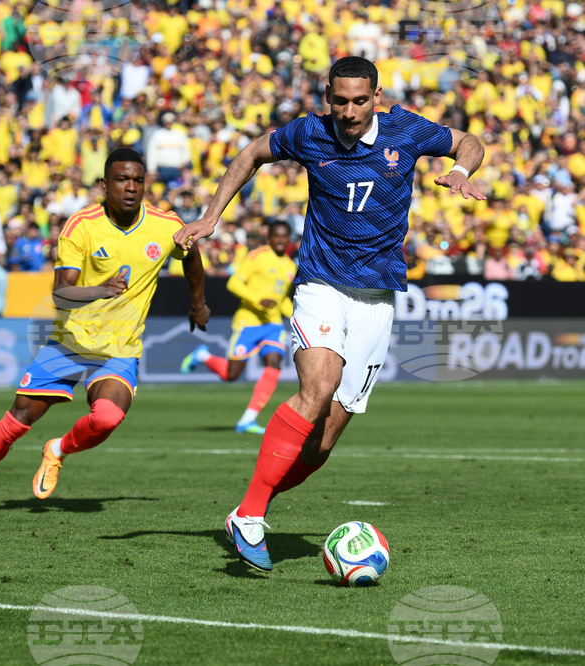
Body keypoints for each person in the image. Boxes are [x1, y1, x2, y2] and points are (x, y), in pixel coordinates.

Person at [174, 56, 485, 572]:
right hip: (320, 284)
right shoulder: (308, 134)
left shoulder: (406, 129)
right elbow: (252, 152)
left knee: (322, 443)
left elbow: (468, 141)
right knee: (317, 388)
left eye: (359, 100)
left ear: (376, 98)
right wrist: (212, 217)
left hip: (377, 297)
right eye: (339, 100)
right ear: (327, 98)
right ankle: (251, 516)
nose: (348, 111)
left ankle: (250, 508)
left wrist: (458, 169)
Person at [0, 148, 210, 514]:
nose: (131, 187)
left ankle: (58, 450)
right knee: (18, 420)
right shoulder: (81, 225)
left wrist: (197, 302)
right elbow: (60, 292)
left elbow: (191, 255)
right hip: (69, 344)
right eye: (122, 180)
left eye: (138, 180)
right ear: (105, 184)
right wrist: (100, 290)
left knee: (107, 418)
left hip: (119, 349)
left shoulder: (166, 225)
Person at [180, 220, 296, 433]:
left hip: (272, 324)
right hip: (248, 322)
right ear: (269, 237)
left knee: (274, 362)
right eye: (277, 235)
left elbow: (282, 301)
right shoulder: (257, 256)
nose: (281, 239)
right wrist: (256, 299)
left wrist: (296, 317)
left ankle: (247, 420)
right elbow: (233, 283)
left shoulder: (290, 266)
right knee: (231, 375)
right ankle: (202, 356)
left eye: (285, 236)